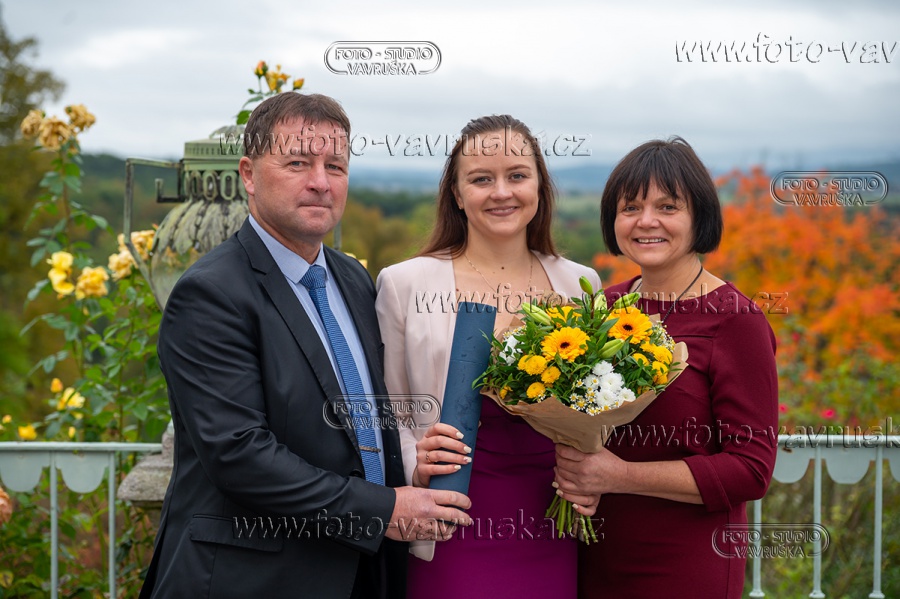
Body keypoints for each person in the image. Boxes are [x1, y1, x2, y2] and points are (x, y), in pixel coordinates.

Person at [139, 93, 472, 599]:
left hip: (364, 572)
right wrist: (382, 511)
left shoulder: (352, 278)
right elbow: (239, 454)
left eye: (335, 165)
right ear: (249, 174)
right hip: (254, 579)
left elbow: (366, 421)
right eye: (297, 163)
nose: (320, 181)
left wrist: (412, 468)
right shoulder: (210, 294)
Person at [375, 115, 602, 599]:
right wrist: (415, 460)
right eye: (481, 179)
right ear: (457, 194)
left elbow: (595, 402)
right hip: (449, 517)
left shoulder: (579, 283)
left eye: (517, 175)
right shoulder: (404, 283)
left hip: (549, 519)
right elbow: (388, 412)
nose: (502, 192)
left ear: (539, 185)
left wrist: (592, 466)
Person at [553, 137, 778, 598]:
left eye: (667, 206)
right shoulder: (602, 308)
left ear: (700, 217)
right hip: (592, 554)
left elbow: (751, 469)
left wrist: (620, 476)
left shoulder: (736, 320)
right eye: (630, 207)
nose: (646, 221)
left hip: (686, 562)